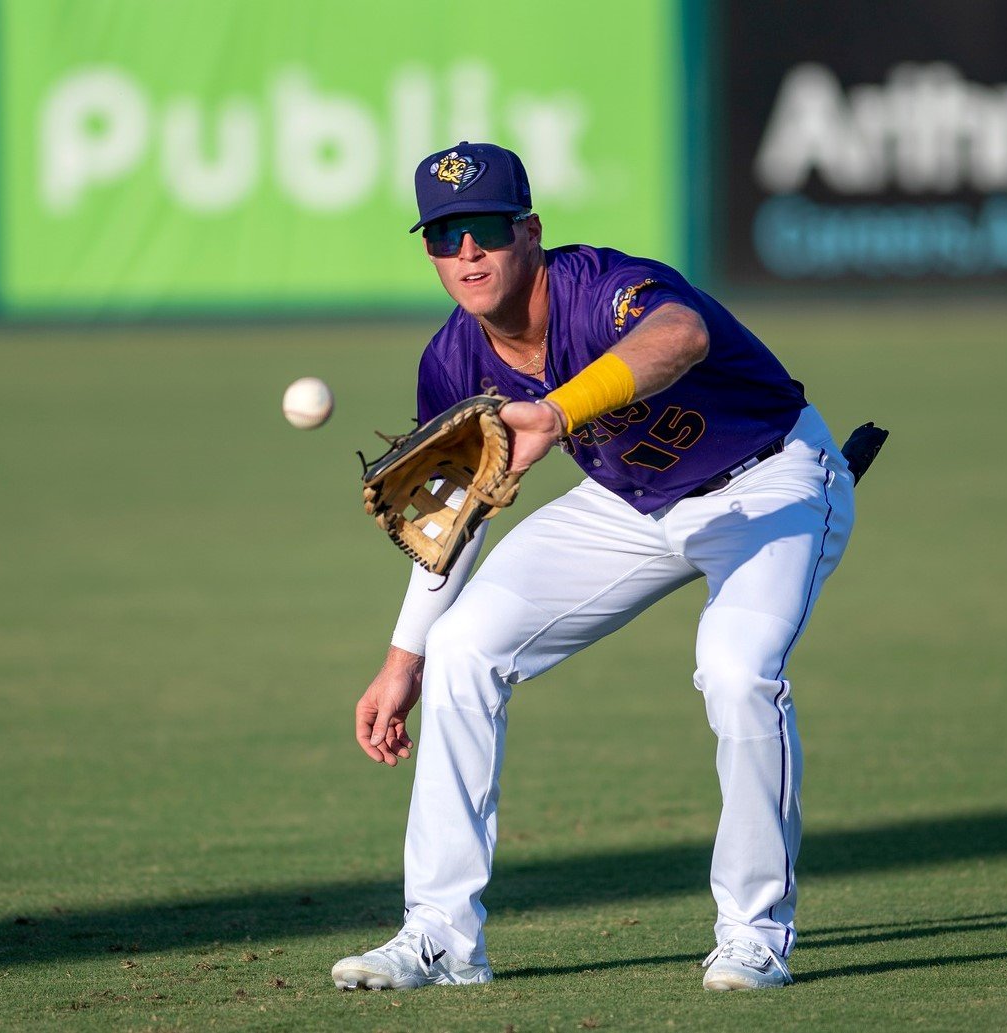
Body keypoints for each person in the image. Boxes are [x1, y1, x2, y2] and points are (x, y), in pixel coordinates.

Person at [331, 142, 855, 993]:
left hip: (769, 479)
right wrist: (401, 660)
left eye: (486, 230)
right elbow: (450, 520)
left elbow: (681, 336)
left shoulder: (602, 287)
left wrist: (555, 411)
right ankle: (440, 934)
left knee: (735, 672)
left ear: (528, 230)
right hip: (629, 503)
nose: (466, 253)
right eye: (442, 235)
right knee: (462, 647)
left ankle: (753, 934)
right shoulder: (452, 360)